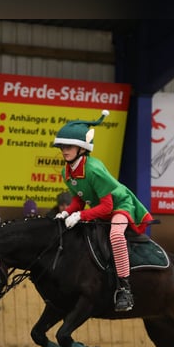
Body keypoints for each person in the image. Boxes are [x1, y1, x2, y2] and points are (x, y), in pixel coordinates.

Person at [52, 109, 153, 312]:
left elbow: (107, 206)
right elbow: (79, 200)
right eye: (62, 146)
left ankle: (125, 289)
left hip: (120, 206)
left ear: (82, 149)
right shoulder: (66, 171)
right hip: (100, 210)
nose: (64, 150)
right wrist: (67, 212)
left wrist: (80, 215)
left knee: (116, 236)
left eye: (69, 146)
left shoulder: (94, 170)